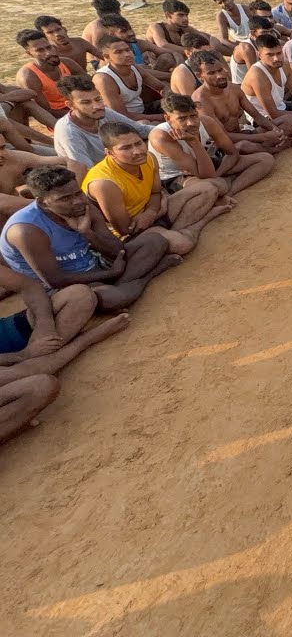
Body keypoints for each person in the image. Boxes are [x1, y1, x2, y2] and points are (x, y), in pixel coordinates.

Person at [1, 166, 179, 311]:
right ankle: (147, 275)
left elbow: (117, 250)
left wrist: (87, 233)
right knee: (112, 298)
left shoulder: (83, 207)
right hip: (68, 287)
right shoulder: (26, 230)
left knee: (156, 241)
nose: (77, 201)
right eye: (65, 199)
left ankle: (122, 285)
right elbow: (54, 280)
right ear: (43, 202)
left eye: (78, 193)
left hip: (96, 265)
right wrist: (111, 273)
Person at [0, 264, 129, 445]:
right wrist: (24, 354)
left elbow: (29, 286)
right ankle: (83, 341)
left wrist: (45, 324)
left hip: (8, 334)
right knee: (41, 385)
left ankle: (40, 366)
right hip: (12, 359)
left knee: (80, 295)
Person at [83, 122, 228, 254]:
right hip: (133, 233)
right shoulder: (104, 183)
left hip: (153, 212)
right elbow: (125, 229)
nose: (137, 151)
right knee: (183, 244)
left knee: (213, 187)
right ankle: (201, 221)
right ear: (110, 153)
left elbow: (155, 192)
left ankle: (174, 232)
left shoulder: (149, 158)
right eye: (126, 148)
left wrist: (152, 211)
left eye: (138, 143)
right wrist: (158, 211)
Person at [189, 51, 292, 153]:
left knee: (289, 121)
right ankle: (273, 149)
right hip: (225, 145)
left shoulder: (234, 88)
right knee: (244, 145)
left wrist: (275, 130)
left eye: (220, 70)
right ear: (199, 76)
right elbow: (223, 136)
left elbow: (257, 116)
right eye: (211, 73)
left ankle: (263, 148)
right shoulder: (201, 100)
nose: (220, 75)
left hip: (243, 133)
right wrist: (263, 137)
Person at [52, 75, 153, 179]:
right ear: (70, 105)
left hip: (120, 162)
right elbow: (87, 170)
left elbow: (142, 130)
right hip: (102, 176)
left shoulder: (104, 112)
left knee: (150, 129)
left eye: (98, 99)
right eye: (86, 102)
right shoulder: (68, 132)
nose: (97, 106)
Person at [92, 34, 166, 124]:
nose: (127, 54)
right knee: (146, 123)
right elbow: (120, 115)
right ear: (107, 56)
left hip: (143, 110)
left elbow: (161, 87)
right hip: (119, 122)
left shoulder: (134, 68)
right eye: (119, 52)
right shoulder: (104, 79)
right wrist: (162, 117)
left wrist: (172, 102)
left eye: (127, 50)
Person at [14, 29, 85, 119]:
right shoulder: (29, 77)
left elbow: (91, 86)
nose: (48, 53)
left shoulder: (67, 63)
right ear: (29, 53)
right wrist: (81, 115)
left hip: (79, 107)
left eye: (49, 47)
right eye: (40, 50)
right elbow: (45, 111)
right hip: (57, 117)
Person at [100, 15, 176, 76]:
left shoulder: (138, 44)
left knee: (167, 57)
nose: (131, 33)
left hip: (146, 79)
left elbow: (173, 53)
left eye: (130, 29)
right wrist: (172, 76)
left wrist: (179, 63)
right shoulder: (110, 54)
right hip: (130, 84)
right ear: (112, 35)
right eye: (123, 31)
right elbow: (134, 71)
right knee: (142, 68)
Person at [34, 15, 102, 73]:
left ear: (64, 29)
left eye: (58, 29)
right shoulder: (49, 54)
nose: (57, 34)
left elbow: (103, 56)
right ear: (44, 36)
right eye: (50, 32)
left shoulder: (80, 42)